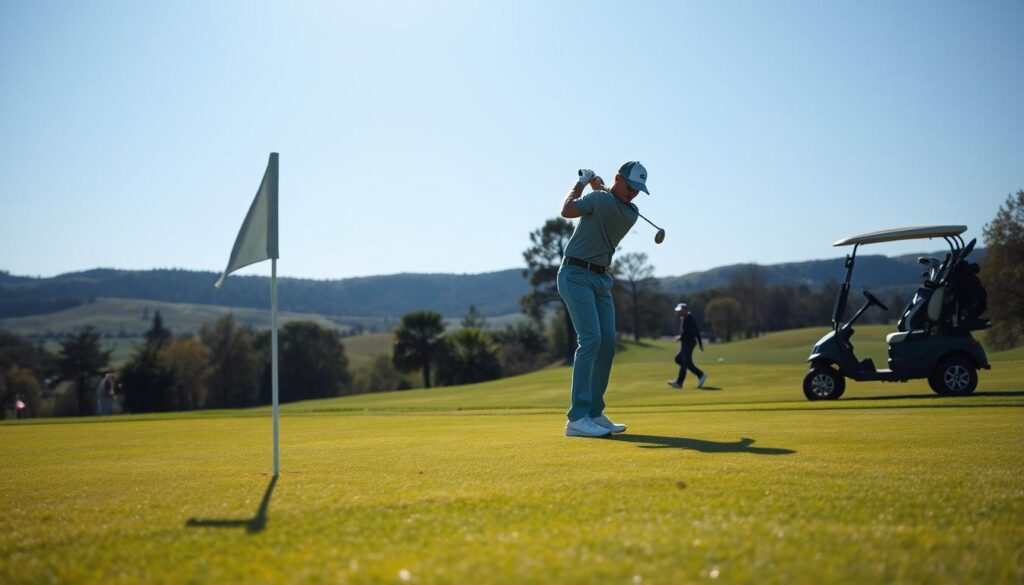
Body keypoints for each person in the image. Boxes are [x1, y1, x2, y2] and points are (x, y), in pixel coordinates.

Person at [558, 161, 649, 437]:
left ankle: (594, 413)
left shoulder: (624, 210)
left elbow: (569, 205)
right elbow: (568, 212)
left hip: (599, 280)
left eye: (637, 190)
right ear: (618, 179)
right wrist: (595, 187)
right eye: (630, 187)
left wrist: (581, 182)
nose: (633, 194)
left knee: (607, 343)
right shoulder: (613, 203)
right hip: (575, 274)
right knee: (592, 340)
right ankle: (577, 418)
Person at [668, 302, 707, 389]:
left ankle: (680, 382)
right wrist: (681, 337)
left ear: (684, 310)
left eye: (680, 310)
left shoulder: (689, 319)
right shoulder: (684, 318)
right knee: (679, 359)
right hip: (686, 342)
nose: (678, 312)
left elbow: (694, 332)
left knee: (685, 362)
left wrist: (681, 337)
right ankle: (699, 375)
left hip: (689, 342)